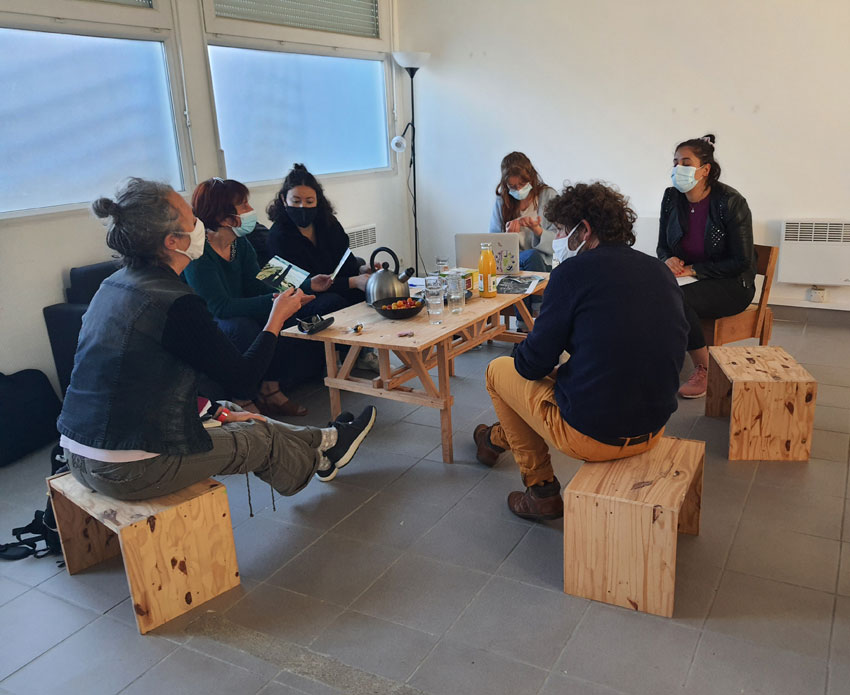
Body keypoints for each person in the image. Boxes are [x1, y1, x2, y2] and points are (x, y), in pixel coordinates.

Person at [57, 177, 377, 503]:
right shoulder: (175, 300)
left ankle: (328, 439)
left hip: (77, 450)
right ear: (172, 241)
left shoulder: (113, 284)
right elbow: (244, 378)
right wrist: (276, 318)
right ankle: (322, 459)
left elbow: (148, 379)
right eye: (191, 219)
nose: (200, 224)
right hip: (129, 467)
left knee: (227, 412)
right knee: (255, 436)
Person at [474, 182, 688, 522]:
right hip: (654, 426)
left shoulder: (571, 273)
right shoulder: (658, 269)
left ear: (583, 231)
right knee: (561, 376)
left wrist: (540, 357)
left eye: (560, 229)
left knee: (499, 372)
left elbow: (530, 365)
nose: (557, 238)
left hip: (595, 435)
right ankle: (494, 439)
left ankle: (540, 489)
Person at [184, 177, 330, 416]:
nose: (251, 211)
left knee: (290, 318)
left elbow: (258, 283)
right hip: (210, 318)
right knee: (243, 328)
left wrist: (290, 296)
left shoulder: (240, 244)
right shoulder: (199, 253)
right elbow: (219, 307)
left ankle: (270, 389)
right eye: (244, 206)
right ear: (223, 217)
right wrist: (275, 303)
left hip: (237, 309)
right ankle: (241, 397)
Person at [658, 134, 757, 398]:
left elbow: (742, 261)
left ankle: (705, 368)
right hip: (689, 278)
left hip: (733, 283)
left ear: (705, 170)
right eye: (675, 161)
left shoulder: (730, 202)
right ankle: (656, 361)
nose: (678, 168)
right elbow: (662, 246)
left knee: (675, 298)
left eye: (686, 162)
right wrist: (668, 259)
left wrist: (694, 270)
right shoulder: (671, 198)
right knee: (650, 290)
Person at [267, 163, 377, 371]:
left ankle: (363, 353)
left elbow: (344, 260)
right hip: (302, 296)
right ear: (284, 200)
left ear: (318, 200)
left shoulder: (328, 223)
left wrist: (362, 271)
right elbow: (284, 282)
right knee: (332, 301)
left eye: (309, 201)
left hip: (334, 285)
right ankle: (334, 363)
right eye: (296, 201)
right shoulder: (277, 235)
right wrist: (353, 281)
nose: (302, 207)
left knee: (369, 291)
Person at [488, 152, 559, 272]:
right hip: (514, 261)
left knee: (533, 256)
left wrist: (538, 230)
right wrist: (508, 238)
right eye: (513, 187)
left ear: (531, 178)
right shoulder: (502, 202)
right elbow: (493, 244)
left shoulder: (548, 195)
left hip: (545, 261)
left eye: (522, 184)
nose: (519, 190)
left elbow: (561, 241)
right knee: (530, 257)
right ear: (506, 185)